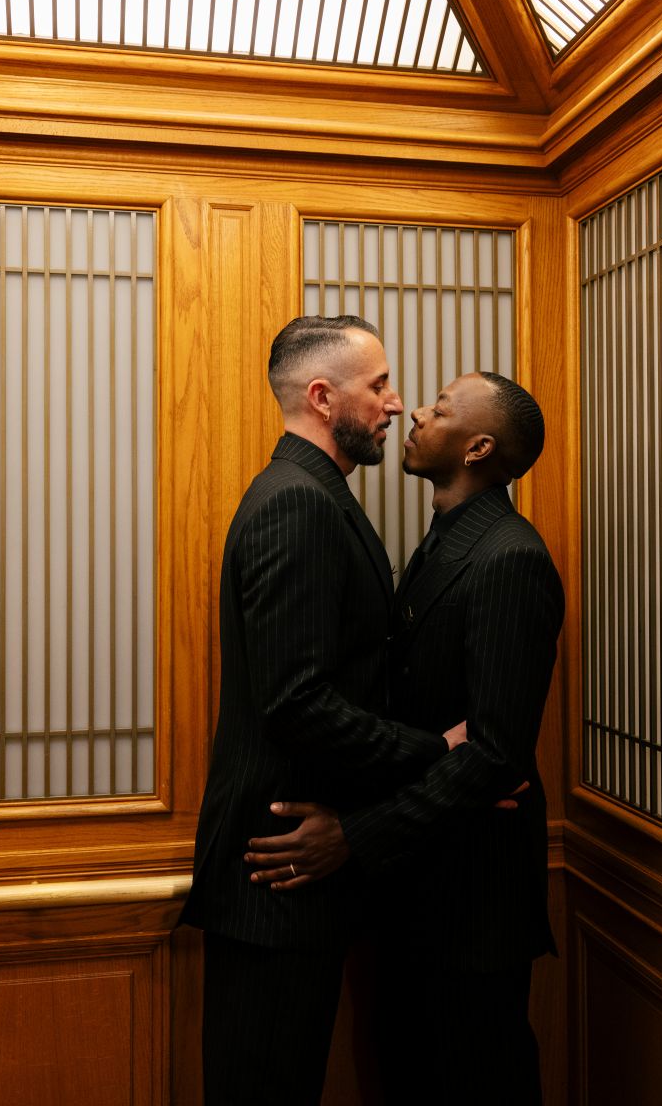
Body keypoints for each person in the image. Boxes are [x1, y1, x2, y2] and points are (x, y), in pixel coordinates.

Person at [244, 370, 565, 1105]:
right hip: (418, 888)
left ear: (479, 447)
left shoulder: (509, 557)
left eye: (441, 408)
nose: (415, 412)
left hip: (473, 904)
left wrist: (353, 835)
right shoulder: (446, 541)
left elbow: (495, 754)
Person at [179, 315, 470, 1106]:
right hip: (274, 874)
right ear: (320, 396)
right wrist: (435, 752)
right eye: (378, 386)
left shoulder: (315, 494)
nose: (395, 402)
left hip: (304, 869)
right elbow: (294, 699)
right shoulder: (296, 503)